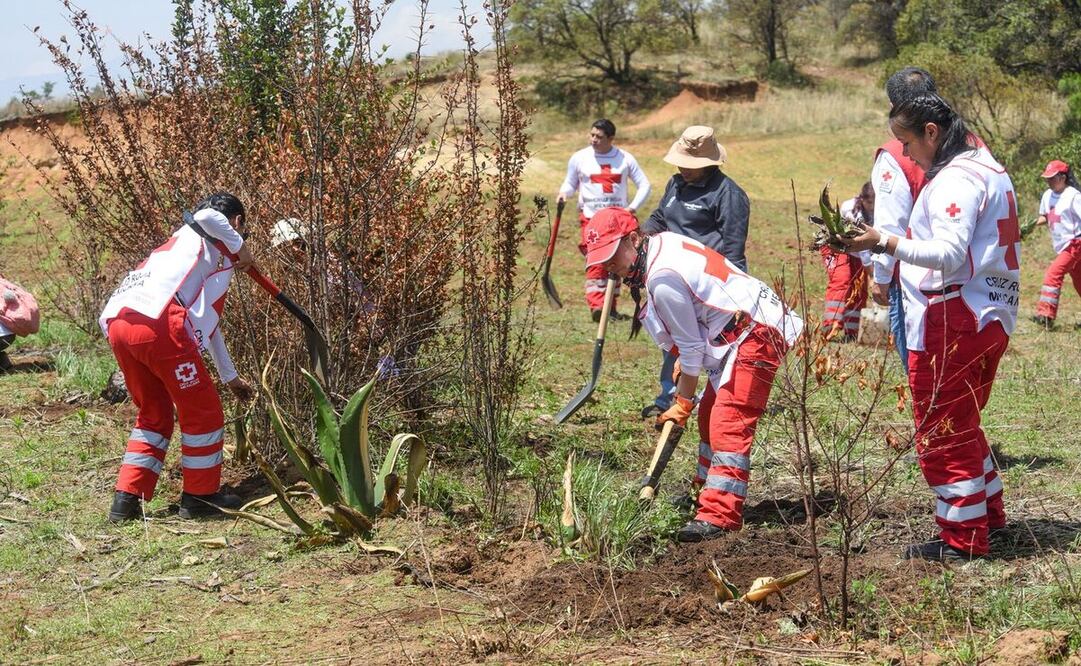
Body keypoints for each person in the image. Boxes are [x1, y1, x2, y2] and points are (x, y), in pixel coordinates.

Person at [843, 94, 1019, 561]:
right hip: (990, 312)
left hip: (953, 315)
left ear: (931, 133)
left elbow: (947, 254)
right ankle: (988, 515)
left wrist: (882, 240)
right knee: (962, 422)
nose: (904, 155)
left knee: (941, 430)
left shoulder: (954, 181)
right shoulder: (990, 168)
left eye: (906, 143)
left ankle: (962, 541)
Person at [582, 208, 803, 542]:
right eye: (603, 261)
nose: (610, 267)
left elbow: (691, 352)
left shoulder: (661, 277)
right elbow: (694, 331)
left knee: (728, 422)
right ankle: (703, 492)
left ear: (632, 238)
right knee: (710, 416)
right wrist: (685, 375)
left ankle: (719, 515)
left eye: (613, 256)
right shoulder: (662, 243)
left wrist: (683, 401)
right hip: (737, 330)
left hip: (755, 333)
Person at [99, 192, 256, 522]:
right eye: (241, 229)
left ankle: (126, 499)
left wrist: (231, 377)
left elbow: (206, 324)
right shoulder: (200, 231)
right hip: (157, 324)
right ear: (237, 223)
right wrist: (244, 251)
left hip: (121, 324)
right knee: (203, 409)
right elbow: (209, 216)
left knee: (154, 413)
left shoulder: (184, 250)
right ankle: (200, 497)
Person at [639, 125, 750, 419]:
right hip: (671, 273)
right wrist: (639, 240)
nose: (683, 169)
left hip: (707, 286)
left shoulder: (728, 195)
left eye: (692, 166)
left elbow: (734, 248)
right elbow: (660, 217)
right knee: (675, 338)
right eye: (682, 163)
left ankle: (716, 399)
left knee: (706, 346)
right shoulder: (676, 184)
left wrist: (737, 299)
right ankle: (671, 396)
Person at [869, 67, 938, 371]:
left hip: (914, 279)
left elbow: (890, 223)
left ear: (894, 108)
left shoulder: (896, 154)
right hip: (967, 274)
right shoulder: (970, 143)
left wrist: (881, 277)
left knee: (918, 365)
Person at [557, 118, 651, 322]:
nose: (593, 140)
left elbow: (645, 185)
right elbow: (570, 183)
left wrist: (632, 207)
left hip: (617, 220)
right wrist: (564, 193)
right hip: (591, 218)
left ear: (611, 138)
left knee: (618, 261)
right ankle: (597, 306)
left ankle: (611, 307)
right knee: (597, 261)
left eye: (599, 137)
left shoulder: (625, 159)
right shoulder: (579, 158)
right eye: (591, 135)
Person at [1031, 160, 1081, 330]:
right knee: (1080, 282)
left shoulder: (1074, 196)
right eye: (1047, 179)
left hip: (1075, 243)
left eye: (1052, 178)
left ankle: (1046, 316)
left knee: (1053, 274)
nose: (1049, 182)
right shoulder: (1047, 195)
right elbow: (1046, 217)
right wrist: (1027, 227)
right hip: (1062, 245)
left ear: (1063, 177)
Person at [821, 183, 874, 341]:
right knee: (842, 280)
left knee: (859, 287)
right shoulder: (852, 211)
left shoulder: (882, 211)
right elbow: (865, 251)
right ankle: (830, 328)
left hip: (854, 250)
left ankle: (852, 331)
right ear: (862, 199)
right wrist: (873, 275)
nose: (872, 207)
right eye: (870, 202)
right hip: (836, 246)